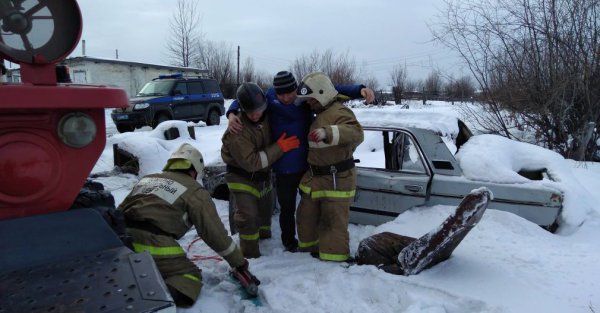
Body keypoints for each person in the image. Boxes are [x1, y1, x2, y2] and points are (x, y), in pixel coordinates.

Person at [227, 71, 375, 252]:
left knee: (309, 208)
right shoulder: (269, 99)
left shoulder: (304, 97)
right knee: (287, 208)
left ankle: (316, 237)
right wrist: (232, 112)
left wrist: (360, 90)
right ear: (275, 92)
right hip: (283, 167)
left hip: (308, 166)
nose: (287, 98)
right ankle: (288, 240)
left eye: (290, 93)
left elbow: (331, 90)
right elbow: (246, 98)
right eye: (281, 94)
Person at [118, 143, 254, 308]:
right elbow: (214, 234)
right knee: (189, 275)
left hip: (121, 241)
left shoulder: (148, 179)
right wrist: (238, 262)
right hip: (152, 243)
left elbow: (120, 211)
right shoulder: (195, 191)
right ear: (194, 170)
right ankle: (158, 297)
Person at [221, 82, 300, 258]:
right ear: (243, 110)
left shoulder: (266, 111)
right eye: (250, 112)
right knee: (248, 216)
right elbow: (252, 162)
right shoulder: (237, 130)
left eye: (259, 109)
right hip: (241, 176)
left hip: (262, 176)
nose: (256, 115)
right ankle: (250, 255)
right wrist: (280, 147)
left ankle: (264, 239)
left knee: (265, 213)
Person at [294, 72, 364, 262]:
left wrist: (328, 133)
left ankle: (333, 263)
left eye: (311, 99)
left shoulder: (340, 112)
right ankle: (308, 255)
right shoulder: (320, 113)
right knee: (305, 219)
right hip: (315, 179)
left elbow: (356, 133)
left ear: (322, 94)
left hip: (336, 180)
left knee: (333, 224)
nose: (308, 103)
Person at [355, 188, 491, 275]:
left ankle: (372, 261)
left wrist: (381, 270)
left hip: (386, 255)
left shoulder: (454, 226)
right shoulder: (458, 225)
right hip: (412, 253)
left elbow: (402, 266)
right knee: (383, 237)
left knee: (367, 246)